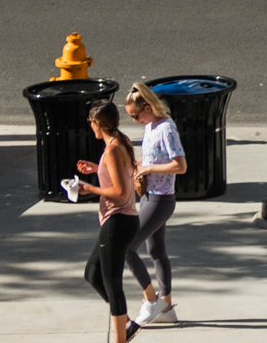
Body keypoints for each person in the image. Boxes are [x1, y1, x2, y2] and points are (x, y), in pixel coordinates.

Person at [75, 100, 142, 343]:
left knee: (113, 284)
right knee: (92, 274)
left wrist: (88, 188)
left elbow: (121, 192)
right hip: (119, 221)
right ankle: (127, 325)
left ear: (98, 123)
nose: (90, 125)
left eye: (91, 121)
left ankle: (120, 339)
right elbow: (122, 172)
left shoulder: (113, 149)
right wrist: (97, 168)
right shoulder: (120, 141)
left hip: (118, 221)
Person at [123, 82, 185, 326]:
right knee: (156, 252)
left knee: (126, 248)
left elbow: (180, 165)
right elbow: (150, 157)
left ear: (147, 107)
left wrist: (148, 167)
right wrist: (138, 166)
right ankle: (167, 307)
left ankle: (152, 301)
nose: (135, 120)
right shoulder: (150, 126)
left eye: (135, 115)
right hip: (149, 196)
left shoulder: (166, 128)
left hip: (161, 199)